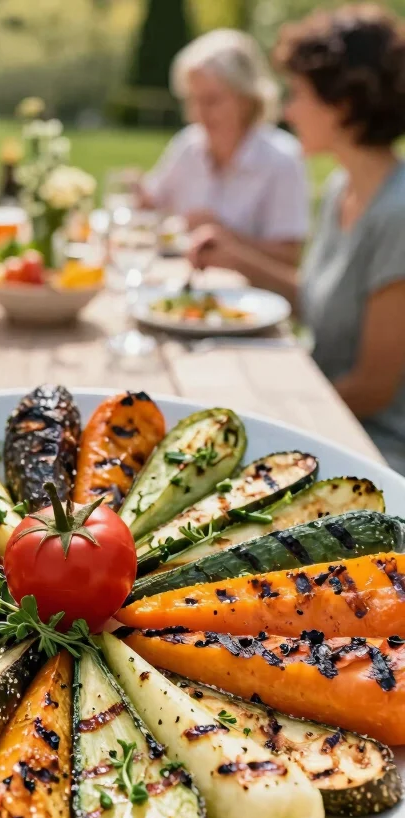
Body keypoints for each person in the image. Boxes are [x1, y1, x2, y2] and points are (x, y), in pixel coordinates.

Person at [189, 5, 405, 474]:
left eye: (299, 94)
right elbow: (316, 299)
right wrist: (236, 257)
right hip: (324, 417)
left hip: (373, 448)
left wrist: (275, 417)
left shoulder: (398, 214)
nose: (287, 110)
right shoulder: (339, 190)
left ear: (344, 102)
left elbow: (373, 387)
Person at [141, 29, 309, 266]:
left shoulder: (282, 159)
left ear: (247, 99)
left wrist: (224, 235)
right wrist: (137, 196)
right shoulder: (188, 145)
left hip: (253, 299)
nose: (197, 114)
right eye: (192, 100)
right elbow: (151, 205)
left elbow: (289, 257)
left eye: (211, 101)